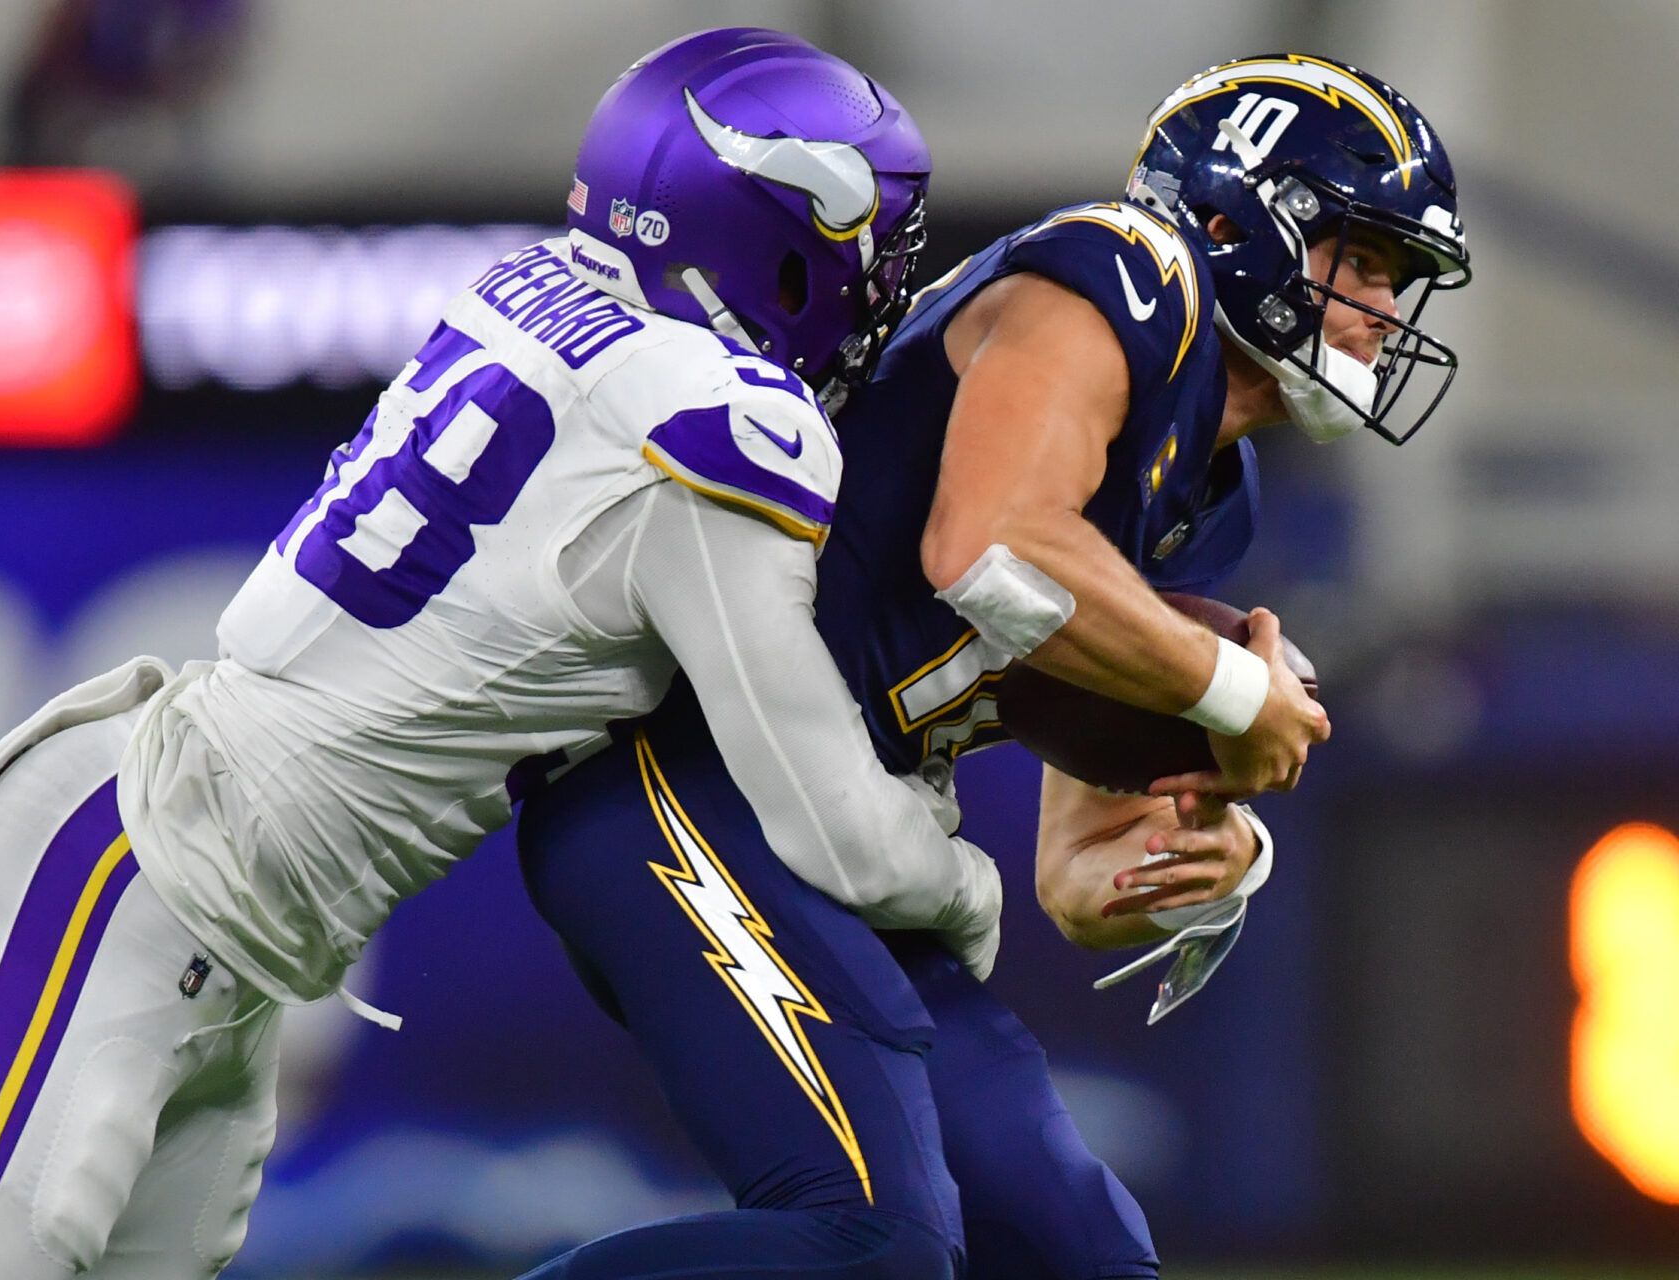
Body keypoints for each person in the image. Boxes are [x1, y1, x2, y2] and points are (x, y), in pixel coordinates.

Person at [0, 29, 1003, 1280]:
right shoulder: (721, 427)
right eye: (866, 245)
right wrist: (966, 887)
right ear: (774, 235)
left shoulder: (538, 288)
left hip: (220, 929)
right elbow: (830, 821)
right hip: (133, 872)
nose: (882, 284)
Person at [513, 52, 1469, 1278]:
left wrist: (1200, 846)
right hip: (686, 780)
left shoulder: (1208, 493)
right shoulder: (1126, 272)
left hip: (838, 831)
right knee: (870, 1240)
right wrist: (1232, 691)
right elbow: (992, 546)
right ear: (1238, 223)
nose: (1385, 315)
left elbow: (1074, 873)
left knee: (1077, 1249)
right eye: (1367, 262)